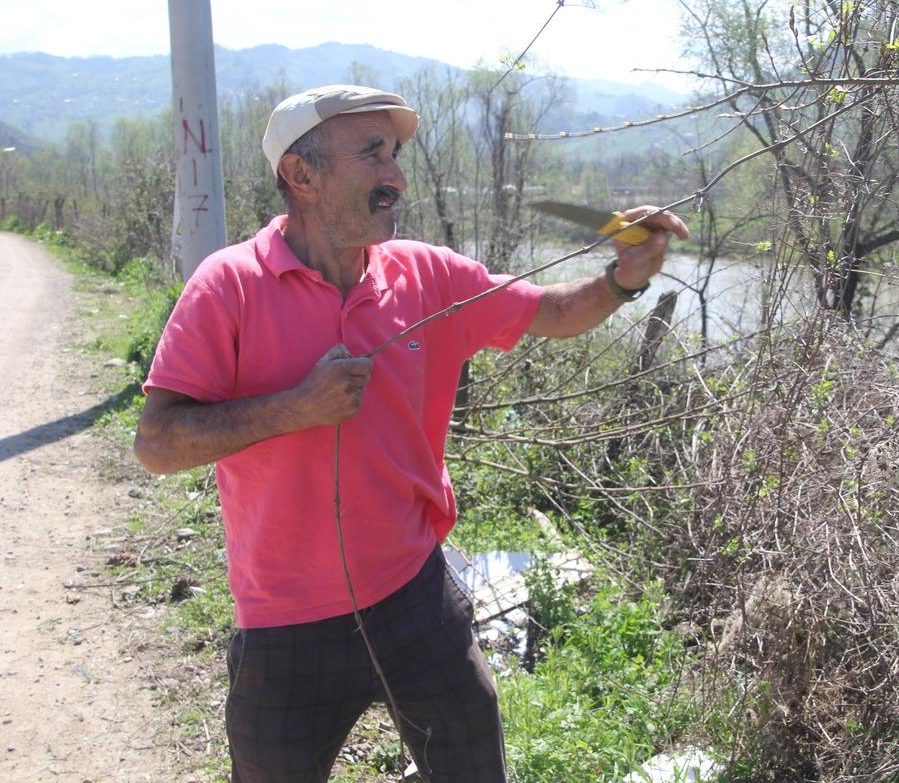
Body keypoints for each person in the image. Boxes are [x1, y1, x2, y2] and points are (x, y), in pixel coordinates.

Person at [133, 83, 688, 783]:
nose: (396, 176)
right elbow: (157, 444)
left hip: (415, 598)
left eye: (395, 154)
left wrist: (622, 279)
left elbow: (551, 311)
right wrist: (293, 408)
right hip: (284, 622)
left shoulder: (428, 275)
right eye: (373, 154)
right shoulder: (228, 286)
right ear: (301, 174)